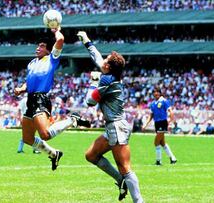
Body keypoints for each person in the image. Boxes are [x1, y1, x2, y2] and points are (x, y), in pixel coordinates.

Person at [77, 31, 143, 202]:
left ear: (108, 68)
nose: (102, 62)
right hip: (113, 126)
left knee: (125, 167)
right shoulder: (111, 75)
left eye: (106, 61)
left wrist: (92, 82)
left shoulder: (107, 81)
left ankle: (139, 200)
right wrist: (87, 42)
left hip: (117, 127)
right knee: (91, 155)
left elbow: (90, 102)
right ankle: (121, 181)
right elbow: (98, 59)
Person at [14, 26, 90, 171]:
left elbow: (60, 39)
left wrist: (56, 30)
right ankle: (54, 154)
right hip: (30, 99)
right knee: (27, 139)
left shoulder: (51, 59)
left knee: (45, 134)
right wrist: (21, 89)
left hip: (41, 99)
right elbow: (29, 81)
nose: (38, 48)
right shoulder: (32, 63)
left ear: (48, 50)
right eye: (38, 46)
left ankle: (72, 120)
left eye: (41, 46)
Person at [142, 88, 177, 165]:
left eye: (157, 92)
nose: (156, 93)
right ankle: (173, 158)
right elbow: (151, 115)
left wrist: (170, 122)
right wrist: (145, 124)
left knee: (156, 142)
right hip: (157, 123)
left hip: (163, 122)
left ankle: (158, 161)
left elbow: (170, 111)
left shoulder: (164, 101)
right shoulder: (153, 104)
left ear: (160, 93)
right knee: (162, 142)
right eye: (154, 92)